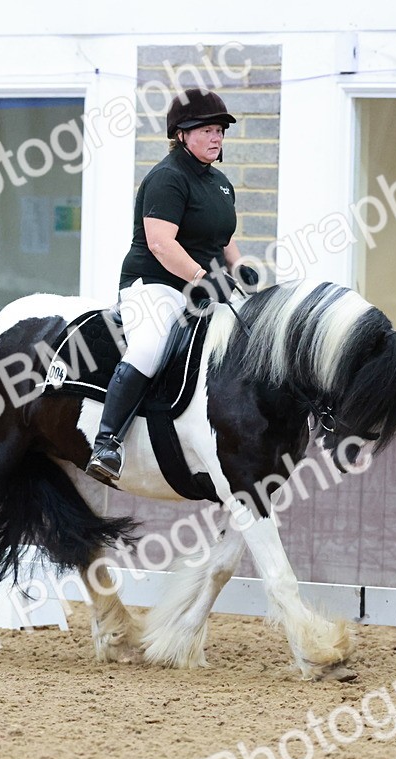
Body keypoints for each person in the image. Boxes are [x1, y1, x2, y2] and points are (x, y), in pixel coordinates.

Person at [86, 87, 243, 481]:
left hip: (202, 288)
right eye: (207, 130)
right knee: (151, 346)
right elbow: (160, 244)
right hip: (155, 285)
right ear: (182, 135)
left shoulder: (221, 183)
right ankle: (107, 443)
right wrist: (203, 278)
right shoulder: (167, 178)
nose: (216, 138)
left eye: (219, 131)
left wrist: (241, 273)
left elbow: (224, 240)